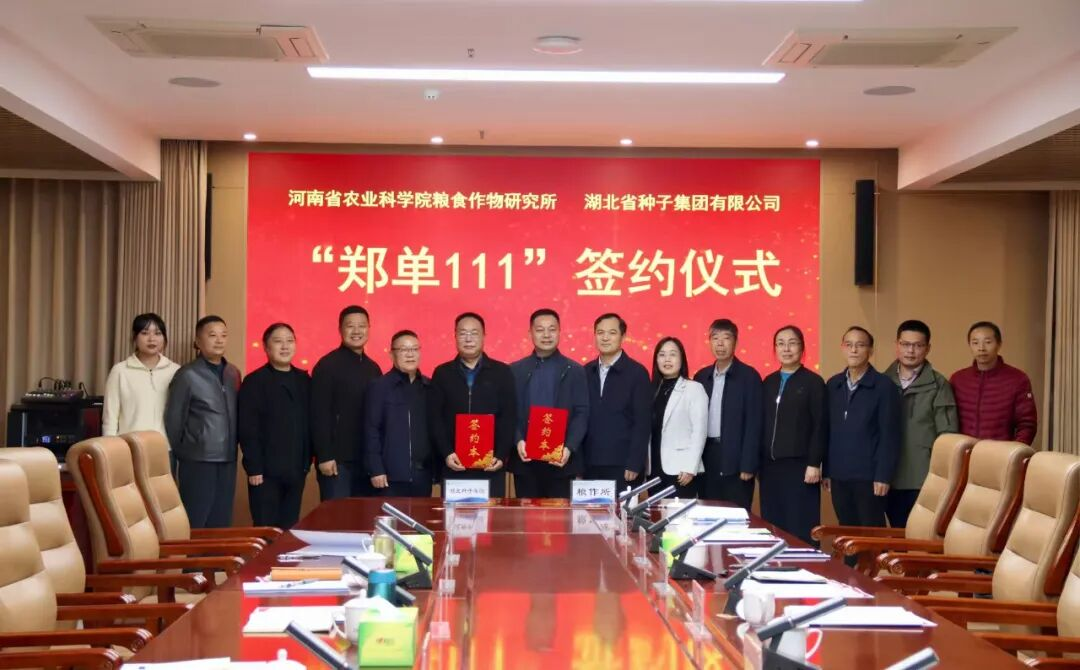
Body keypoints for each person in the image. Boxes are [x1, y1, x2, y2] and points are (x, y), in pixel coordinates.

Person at [164, 315, 241, 529]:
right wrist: (187, 450)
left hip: (228, 458)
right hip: (198, 460)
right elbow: (174, 421)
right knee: (196, 519)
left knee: (221, 520)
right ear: (198, 341)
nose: (219, 340)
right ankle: (192, 555)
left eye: (223, 335)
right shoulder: (187, 374)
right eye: (212, 335)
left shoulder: (233, 373)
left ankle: (216, 554)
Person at [824, 327, 901, 533]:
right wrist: (828, 471)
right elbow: (828, 431)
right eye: (849, 345)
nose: (854, 350)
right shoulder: (833, 384)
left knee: (871, 534)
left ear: (870, 350)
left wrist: (883, 475)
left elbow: (890, 435)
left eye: (860, 345)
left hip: (869, 477)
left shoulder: (884, 386)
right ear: (842, 348)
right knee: (846, 532)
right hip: (839, 475)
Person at [430, 312, 517, 497]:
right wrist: (447, 453)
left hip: (491, 466)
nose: (468, 339)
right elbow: (435, 418)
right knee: (454, 514)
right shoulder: (442, 373)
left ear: (484, 336)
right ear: (455, 336)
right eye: (463, 333)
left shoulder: (502, 372)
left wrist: (501, 455)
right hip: (454, 464)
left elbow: (509, 417)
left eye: (474, 333)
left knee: (490, 514)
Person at [884, 320, 959, 528]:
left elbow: (948, 436)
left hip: (923, 477)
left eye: (917, 345)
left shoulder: (939, 384)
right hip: (887, 476)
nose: (910, 351)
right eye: (905, 344)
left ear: (928, 348)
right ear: (896, 345)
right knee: (895, 532)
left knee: (920, 534)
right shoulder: (882, 382)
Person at [238, 322, 311, 528]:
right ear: (266, 347)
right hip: (265, 473)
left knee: (289, 527)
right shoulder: (254, 381)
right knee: (266, 528)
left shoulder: (304, 380)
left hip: (297, 470)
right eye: (278, 341)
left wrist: (307, 462)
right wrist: (254, 468)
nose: (285, 346)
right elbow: (248, 428)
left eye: (290, 341)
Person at [511, 308, 589, 499]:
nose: (546, 335)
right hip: (525, 460)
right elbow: (508, 412)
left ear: (560, 332)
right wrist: (518, 439)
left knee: (560, 516)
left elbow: (582, 412)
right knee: (527, 515)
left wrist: (569, 447)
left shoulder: (575, 370)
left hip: (562, 461)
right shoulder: (514, 370)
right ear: (530, 333)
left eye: (552, 329)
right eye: (540, 330)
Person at [759, 325, 826, 545]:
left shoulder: (813, 382)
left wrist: (814, 463)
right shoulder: (768, 382)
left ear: (802, 348)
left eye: (792, 343)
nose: (786, 349)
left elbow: (820, 425)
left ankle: (805, 565)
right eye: (781, 344)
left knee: (801, 527)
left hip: (801, 468)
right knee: (773, 527)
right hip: (770, 468)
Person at [310, 305, 382, 500]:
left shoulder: (373, 368)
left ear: (369, 329)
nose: (356, 331)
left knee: (363, 516)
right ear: (340, 329)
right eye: (350, 326)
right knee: (337, 515)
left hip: (366, 461)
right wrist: (324, 455)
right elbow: (319, 414)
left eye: (362, 326)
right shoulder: (327, 365)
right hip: (337, 461)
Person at [692, 319, 762, 509]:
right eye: (715, 338)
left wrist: (748, 464)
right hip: (707, 456)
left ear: (735, 342)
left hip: (736, 458)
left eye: (726, 338)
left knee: (736, 514)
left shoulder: (749, 377)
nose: (720, 344)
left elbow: (754, 424)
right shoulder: (701, 377)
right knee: (707, 511)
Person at [102, 313, 181, 474]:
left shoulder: (176, 371)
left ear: (164, 338)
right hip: (129, 449)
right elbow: (110, 416)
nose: (152, 339)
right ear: (135, 337)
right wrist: (110, 450)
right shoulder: (120, 371)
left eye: (157, 333)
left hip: (165, 449)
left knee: (163, 491)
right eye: (145, 333)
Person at [581, 313, 651, 494]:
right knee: (589, 511)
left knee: (622, 512)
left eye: (612, 333)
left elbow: (642, 423)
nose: (605, 338)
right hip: (589, 463)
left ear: (623, 336)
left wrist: (635, 462)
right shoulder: (585, 371)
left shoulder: (637, 373)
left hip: (624, 465)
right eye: (600, 332)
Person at [364, 330, 435, 497]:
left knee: (421, 514)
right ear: (392, 355)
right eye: (403, 350)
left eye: (414, 349)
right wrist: (376, 469)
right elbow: (371, 430)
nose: (410, 354)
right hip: (390, 476)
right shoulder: (379, 387)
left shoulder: (429, 387)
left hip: (423, 474)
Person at [950, 321, 1037, 445]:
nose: (981, 348)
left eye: (988, 342)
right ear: (969, 345)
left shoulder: (1018, 379)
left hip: (1001, 453)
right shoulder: (958, 379)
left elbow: (1027, 424)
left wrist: (1015, 451)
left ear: (999, 344)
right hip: (965, 452)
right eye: (975, 343)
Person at [648, 337, 708, 498]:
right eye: (662, 355)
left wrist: (690, 467)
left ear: (682, 359)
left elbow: (699, 431)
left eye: (673, 354)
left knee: (679, 513)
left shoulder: (693, 388)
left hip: (681, 471)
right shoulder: (651, 390)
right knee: (655, 513)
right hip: (653, 468)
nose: (667, 359)